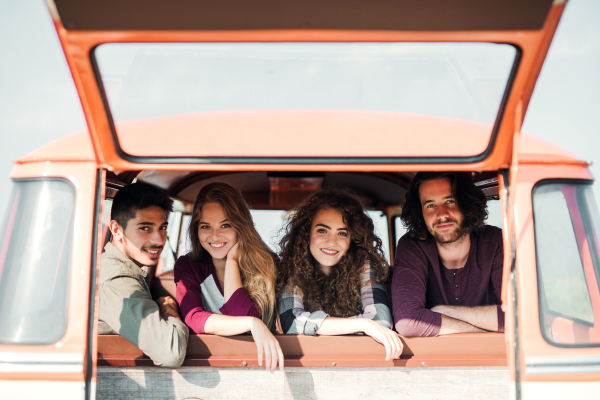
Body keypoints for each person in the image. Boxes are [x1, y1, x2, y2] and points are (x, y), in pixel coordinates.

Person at [277, 188, 403, 361]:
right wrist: (363, 324)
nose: (332, 242)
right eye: (322, 230)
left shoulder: (363, 265)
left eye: (342, 233)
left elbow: (381, 321)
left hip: (356, 360)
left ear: (352, 238)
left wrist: (321, 327)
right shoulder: (293, 268)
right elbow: (292, 322)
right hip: (308, 362)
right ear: (306, 233)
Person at [174, 182, 283, 373]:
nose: (215, 236)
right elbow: (193, 317)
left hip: (262, 365)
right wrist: (252, 323)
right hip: (209, 365)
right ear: (196, 229)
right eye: (206, 226)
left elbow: (241, 319)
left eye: (225, 225)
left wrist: (233, 259)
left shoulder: (267, 264)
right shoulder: (188, 265)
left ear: (241, 226)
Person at [392, 172, 504, 337]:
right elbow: (408, 322)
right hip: (433, 360)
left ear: (467, 204)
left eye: (450, 201)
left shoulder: (495, 241)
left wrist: (443, 311)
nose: (442, 214)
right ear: (420, 213)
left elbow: (521, 316)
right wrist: (486, 329)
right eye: (431, 205)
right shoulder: (412, 246)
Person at [98, 182, 189, 367]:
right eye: (145, 228)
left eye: (163, 228)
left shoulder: (126, 268)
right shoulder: (119, 281)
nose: (158, 239)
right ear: (116, 230)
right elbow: (171, 354)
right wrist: (170, 312)